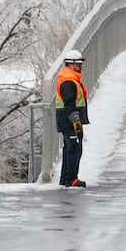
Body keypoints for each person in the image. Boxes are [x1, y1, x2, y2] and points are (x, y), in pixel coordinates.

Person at [53, 49, 89, 188]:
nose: (81, 67)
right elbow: (70, 106)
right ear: (71, 64)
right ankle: (71, 179)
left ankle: (65, 179)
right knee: (73, 149)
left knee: (70, 148)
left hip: (68, 121)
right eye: (78, 64)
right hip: (70, 121)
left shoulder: (71, 79)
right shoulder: (68, 81)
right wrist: (77, 124)